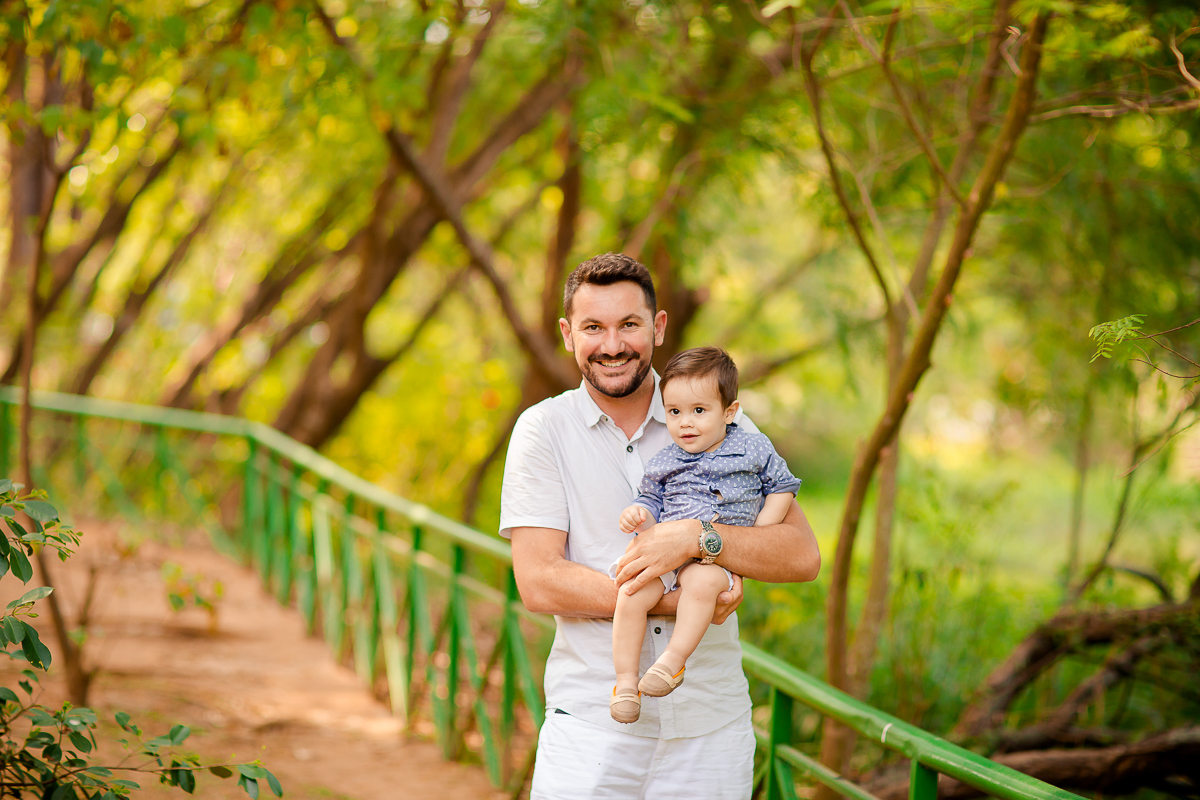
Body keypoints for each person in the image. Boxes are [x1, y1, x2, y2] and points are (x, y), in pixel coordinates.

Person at [500, 252, 820, 800]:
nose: (612, 344)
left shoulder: (723, 422)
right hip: (590, 728)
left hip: (710, 729)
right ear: (567, 334)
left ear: (659, 326)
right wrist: (680, 599)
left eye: (629, 324)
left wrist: (699, 539)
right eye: (593, 328)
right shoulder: (543, 431)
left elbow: (801, 556)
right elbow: (539, 582)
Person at [609, 346, 800, 724]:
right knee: (630, 591)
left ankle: (672, 664)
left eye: (699, 411)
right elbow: (651, 497)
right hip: (665, 552)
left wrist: (761, 533)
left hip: (713, 556)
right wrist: (640, 512)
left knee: (700, 584)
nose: (685, 423)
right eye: (675, 413)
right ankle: (625, 683)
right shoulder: (665, 460)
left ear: (730, 412)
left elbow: (782, 486)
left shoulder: (752, 447)